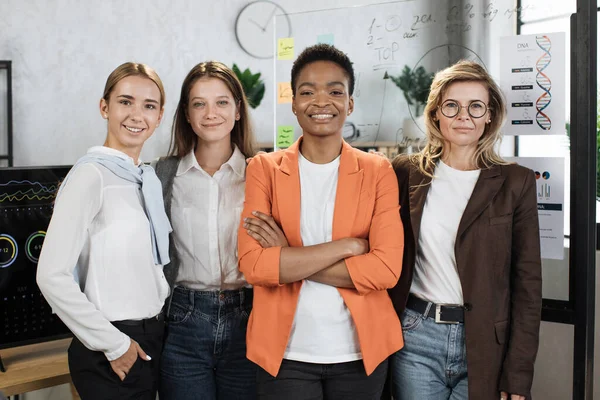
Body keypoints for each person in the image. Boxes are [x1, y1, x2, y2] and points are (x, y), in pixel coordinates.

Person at [239, 44, 404, 400]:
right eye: (307, 92)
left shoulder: (377, 171)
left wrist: (288, 256)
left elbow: (386, 270)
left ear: (350, 103)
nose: (321, 101)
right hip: (285, 355)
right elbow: (254, 266)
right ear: (294, 103)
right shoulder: (263, 170)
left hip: (361, 353)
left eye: (335, 91)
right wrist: (346, 248)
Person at [388, 60, 542, 400]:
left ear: (489, 115)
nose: (464, 116)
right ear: (436, 114)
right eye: (452, 106)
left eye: (476, 106)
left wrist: (517, 376)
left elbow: (527, 286)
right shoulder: (405, 172)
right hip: (415, 336)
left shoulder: (515, 183)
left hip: (486, 342)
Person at [36, 62, 171, 399]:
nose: (137, 115)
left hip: (151, 336)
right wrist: (115, 345)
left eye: (148, 106)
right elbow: (51, 275)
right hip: (111, 346)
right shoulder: (90, 176)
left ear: (160, 116)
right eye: (126, 102)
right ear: (104, 107)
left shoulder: (146, 179)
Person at [155, 61, 257, 400]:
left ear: (238, 110)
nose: (210, 112)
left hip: (250, 316)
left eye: (222, 102)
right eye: (199, 103)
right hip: (184, 318)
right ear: (186, 113)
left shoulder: (263, 173)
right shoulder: (163, 176)